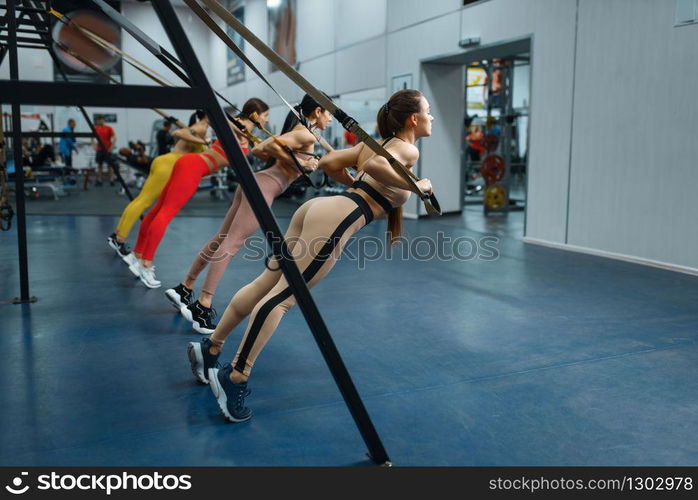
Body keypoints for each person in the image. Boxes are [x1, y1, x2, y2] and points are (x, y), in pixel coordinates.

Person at [187, 89, 433, 423]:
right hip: (337, 217)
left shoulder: (376, 143)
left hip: (317, 209)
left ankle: (211, 347)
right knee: (284, 298)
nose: (431, 118)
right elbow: (374, 166)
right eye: (428, 111)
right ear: (413, 119)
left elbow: (331, 163)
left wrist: (356, 184)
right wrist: (418, 187)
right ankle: (236, 376)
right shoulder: (407, 150)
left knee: (267, 284)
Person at [167, 95, 332, 334]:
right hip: (263, 187)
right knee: (231, 245)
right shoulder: (305, 133)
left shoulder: (305, 133)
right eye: (328, 113)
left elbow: (272, 149)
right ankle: (203, 304)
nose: (329, 119)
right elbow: (263, 148)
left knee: (222, 238)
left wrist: (301, 162)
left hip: (256, 183)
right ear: (317, 112)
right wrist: (301, 164)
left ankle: (185, 287)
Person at [129, 99, 304, 289]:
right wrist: (239, 130)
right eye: (266, 115)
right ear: (255, 115)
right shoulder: (237, 127)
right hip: (194, 167)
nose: (267, 120)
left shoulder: (249, 135)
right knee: (165, 212)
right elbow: (214, 119)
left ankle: (138, 255)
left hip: (191, 165)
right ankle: (146, 263)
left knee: (159, 209)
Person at [107, 110, 210, 263]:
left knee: (141, 200)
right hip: (169, 164)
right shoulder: (201, 127)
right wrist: (204, 142)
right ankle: (119, 239)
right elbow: (177, 133)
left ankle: (117, 235)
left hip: (167, 163)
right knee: (144, 202)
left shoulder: (200, 127)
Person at [93, 115, 116, 186]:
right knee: (99, 165)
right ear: (97, 121)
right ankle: (99, 180)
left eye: (101, 120)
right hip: (99, 150)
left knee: (110, 165)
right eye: (99, 120)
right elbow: (91, 138)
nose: (100, 121)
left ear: (103, 120)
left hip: (107, 150)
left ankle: (112, 179)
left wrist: (111, 148)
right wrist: (93, 146)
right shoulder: (96, 128)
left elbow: (114, 138)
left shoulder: (109, 128)